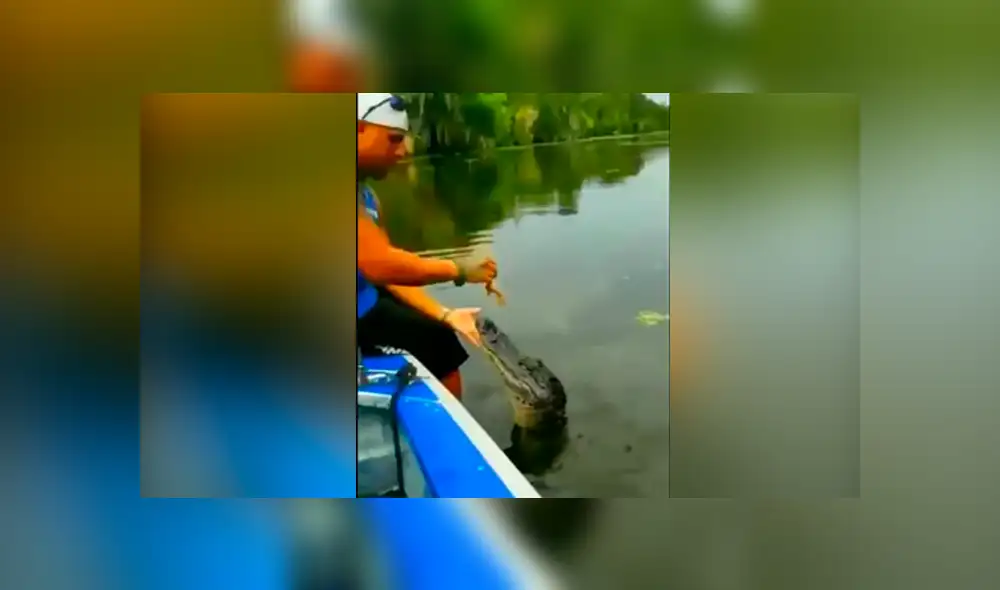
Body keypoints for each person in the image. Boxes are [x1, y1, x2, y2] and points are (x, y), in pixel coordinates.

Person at [355, 93, 498, 399]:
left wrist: (443, 314)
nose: (403, 151)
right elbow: (379, 263)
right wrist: (460, 270)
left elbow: (388, 273)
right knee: (437, 345)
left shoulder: (367, 197)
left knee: (438, 336)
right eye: (393, 139)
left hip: (361, 297)